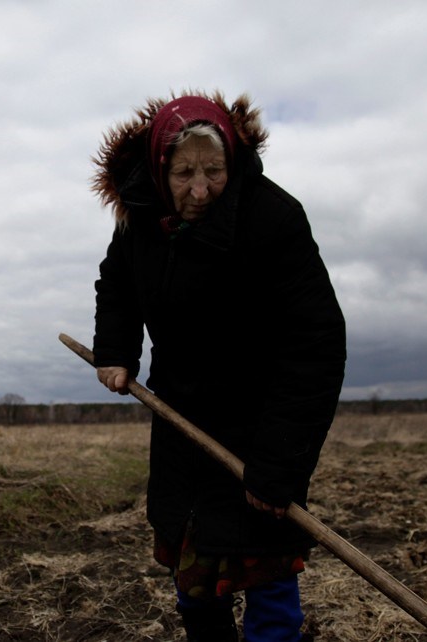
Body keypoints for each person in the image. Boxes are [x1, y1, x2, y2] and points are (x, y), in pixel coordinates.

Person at [89, 91, 346, 641]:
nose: (199, 189)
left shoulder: (273, 219)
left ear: (232, 160)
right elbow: (118, 288)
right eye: (183, 173)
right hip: (183, 425)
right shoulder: (140, 219)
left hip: (260, 430)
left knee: (267, 578)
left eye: (213, 171)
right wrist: (115, 350)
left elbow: (315, 346)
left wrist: (279, 465)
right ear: (160, 169)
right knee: (196, 582)